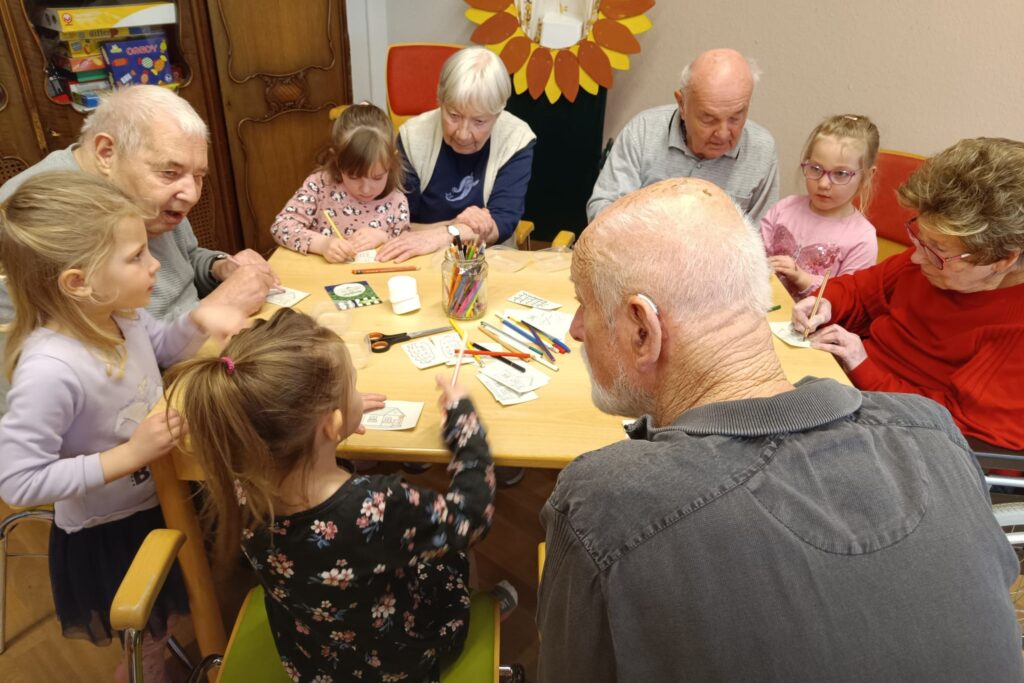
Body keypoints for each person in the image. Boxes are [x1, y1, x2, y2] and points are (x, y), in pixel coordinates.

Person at [537, 177, 1023, 682]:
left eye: (585, 304)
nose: (575, 327)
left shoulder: (603, 504)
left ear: (643, 330)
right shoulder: (936, 432)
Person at [0, 172, 246, 683]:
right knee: (150, 621)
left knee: (175, 599)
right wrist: (130, 455)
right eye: (136, 257)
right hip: (108, 529)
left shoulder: (120, 313)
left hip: (160, 492)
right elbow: (18, 482)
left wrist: (199, 321)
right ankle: (142, 669)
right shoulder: (49, 369)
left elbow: (159, 349)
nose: (155, 264)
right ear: (77, 282)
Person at [163, 308, 497, 682]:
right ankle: (489, 607)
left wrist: (327, 431)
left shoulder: (238, 485)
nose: (355, 394)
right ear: (330, 423)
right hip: (399, 664)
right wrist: (465, 426)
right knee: (451, 555)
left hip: (309, 661)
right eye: (351, 389)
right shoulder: (379, 506)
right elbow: (472, 516)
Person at [793, 137, 1024, 451]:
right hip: (850, 395)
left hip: (910, 440)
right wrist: (824, 303)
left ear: (1004, 259)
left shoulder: (1015, 329)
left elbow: (960, 435)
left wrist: (862, 365)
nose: (916, 258)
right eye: (919, 236)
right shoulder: (934, 260)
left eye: (938, 251)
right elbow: (860, 291)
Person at [0, 84, 276, 320]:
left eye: (199, 176)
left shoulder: (148, 192)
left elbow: (184, 258)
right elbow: (88, 354)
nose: (191, 194)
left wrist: (218, 267)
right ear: (107, 153)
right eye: (170, 172)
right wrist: (216, 309)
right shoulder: (38, 215)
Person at [377, 46, 536, 263]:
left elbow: (502, 222)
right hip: (420, 259)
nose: (462, 134)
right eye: (453, 115)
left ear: (497, 115)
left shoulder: (516, 139)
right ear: (440, 101)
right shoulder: (413, 136)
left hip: (490, 261)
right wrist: (457, 228)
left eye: (479, 121)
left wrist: (445, 234)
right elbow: (400, 221)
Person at [586, 48, 778, 224]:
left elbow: (761, 240)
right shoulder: (643, 131)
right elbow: (603, 209)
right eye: (709, 119)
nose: (722, 133)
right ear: (682, 105)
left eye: (736, 118)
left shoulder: (762, 151)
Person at [270, 103, 410, 261]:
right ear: (337, 159)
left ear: (391, 162)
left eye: (377, 177)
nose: (366, 189)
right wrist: (323, 244)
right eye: (353, 176)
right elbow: (281, 227)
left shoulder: (397, 202)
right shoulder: (320, 186)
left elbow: (407, 248)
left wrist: (384, 238)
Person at [761, 114, 880, 299]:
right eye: (815, 169)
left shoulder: (862, 238)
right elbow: (754, 257)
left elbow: (848, 299)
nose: (824, 183)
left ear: (866, 176)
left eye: (840, 174)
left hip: (813, 326)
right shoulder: (784, 208)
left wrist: (803, 279)